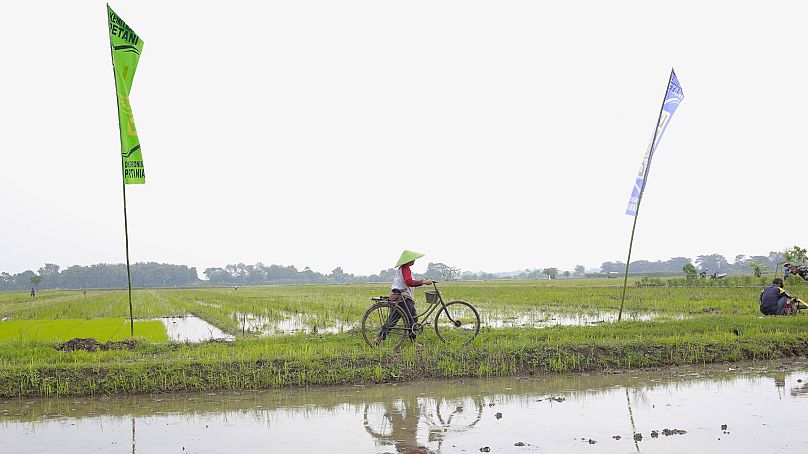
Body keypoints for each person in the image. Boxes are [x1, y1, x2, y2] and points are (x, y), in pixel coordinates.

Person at [375, 250, 433, 347]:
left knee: (392, 320)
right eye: (413, 259)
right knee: (413, 319)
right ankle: (413, 342)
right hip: (402, 297)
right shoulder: (405, 268)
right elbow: (409, 282)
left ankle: (378, 338)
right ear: (408, 260)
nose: (414, 260)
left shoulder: (402, 268)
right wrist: (423, 281)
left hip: (397, 296)